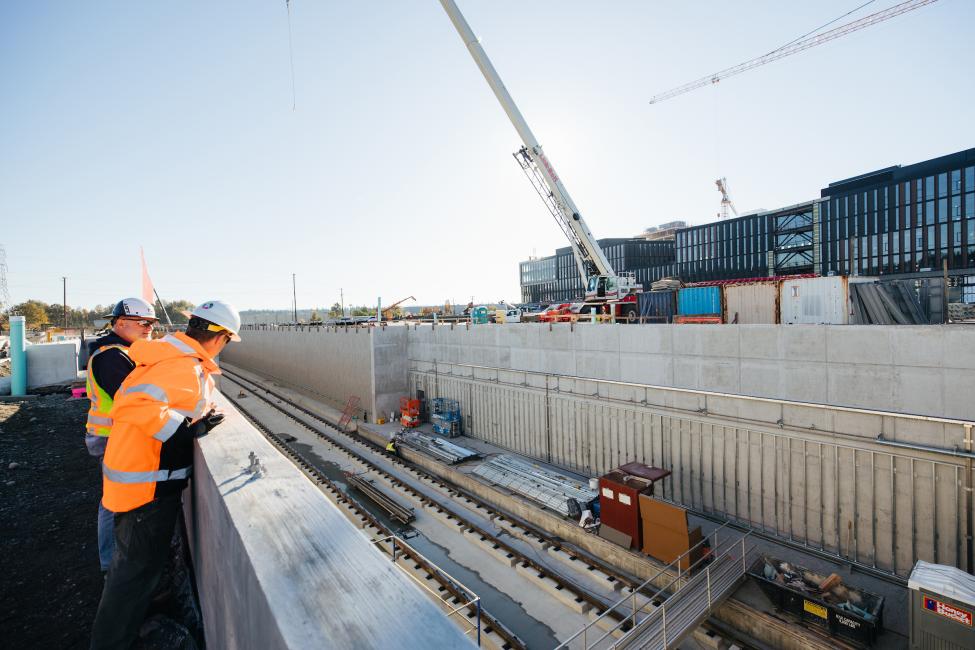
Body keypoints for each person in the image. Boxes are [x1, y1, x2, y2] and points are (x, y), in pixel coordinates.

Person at [89, 300, 241, 650]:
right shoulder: (181, 366)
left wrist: (193, 421)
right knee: (131, 577)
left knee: (136, 571)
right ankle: (111, 642)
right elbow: (135, 405)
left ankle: (127, 630)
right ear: (220, 339)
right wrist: (183, 429)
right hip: (145, 486)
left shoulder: (172, 359)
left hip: (142, 479)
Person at [85, 297, 159, 572]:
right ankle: (112, 568)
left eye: (152, 323)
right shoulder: (112, 357)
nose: (149, 327)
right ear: (120, 323)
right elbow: (133, 401)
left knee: (117, 501)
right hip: (111, 437)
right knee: (114, 503)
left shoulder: (126, 352)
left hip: (116, 435)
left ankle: (117, 566)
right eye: (143, 323)